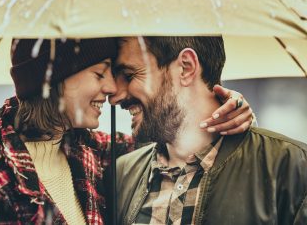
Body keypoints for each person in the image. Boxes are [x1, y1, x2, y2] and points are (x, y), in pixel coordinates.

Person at [0, 38, 252, 224]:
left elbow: (174, 137)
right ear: (53, 81)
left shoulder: (92, 150)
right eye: (100, 73)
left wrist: (226, 109)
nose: (110, 89)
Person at [111, 36, 307, 225]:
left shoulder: (291, 167)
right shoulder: (121, 174)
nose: (114, 96)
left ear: (186, 68)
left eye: (129, 75)